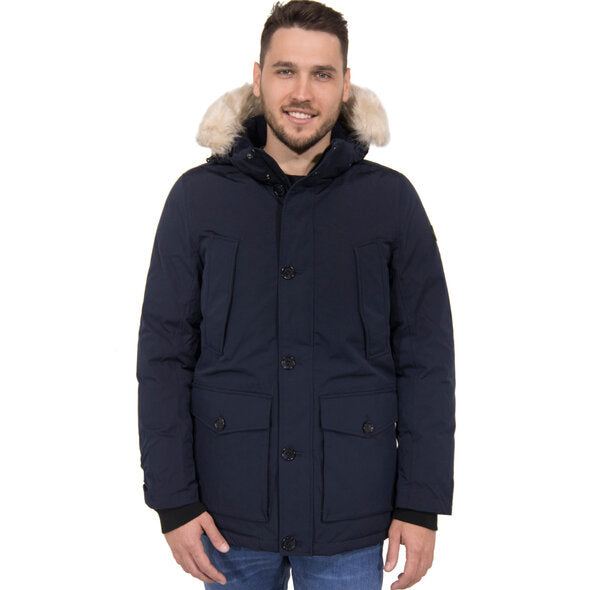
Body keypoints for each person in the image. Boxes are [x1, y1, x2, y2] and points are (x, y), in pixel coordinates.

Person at [136, 1, 456, 588]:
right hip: (226, 516)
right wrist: (173, 501)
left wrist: (420, 502)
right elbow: (163, 356)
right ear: (258, 78)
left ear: (346, 85)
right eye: (285, 71)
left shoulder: (390, 202)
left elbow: (427, 360)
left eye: (321, 74)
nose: (302, 93)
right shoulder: (197, 199)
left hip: (353, 516)